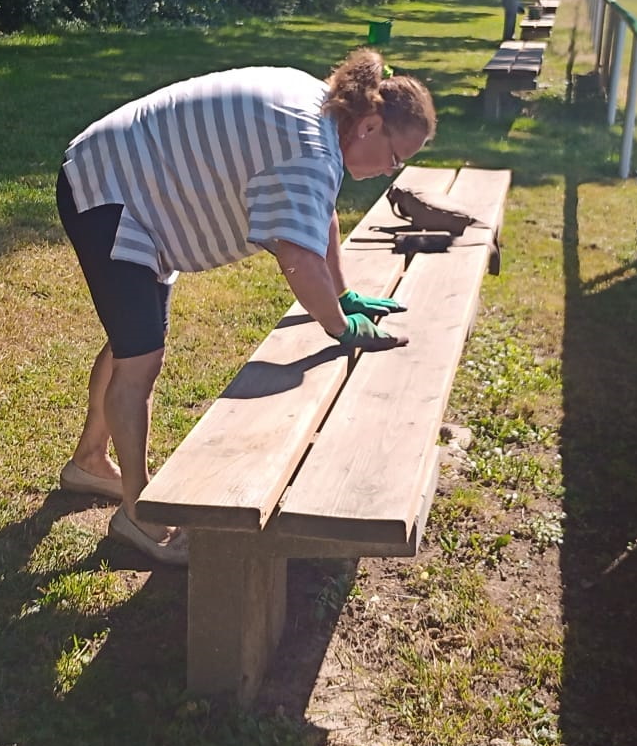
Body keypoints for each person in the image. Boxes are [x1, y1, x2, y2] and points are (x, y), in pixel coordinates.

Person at [54, 49, 437, 566]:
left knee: (133, 342)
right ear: (371, 125)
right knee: (139, 356)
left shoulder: (325, 113)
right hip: (108, 187)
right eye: (396, 159)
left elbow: (319, 215)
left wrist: (344, 294)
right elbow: (298, 258)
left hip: (127, 178)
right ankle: (139, 514)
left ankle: (89, 462)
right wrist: (338, 325)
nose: (391, 171)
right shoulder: (312, 150)